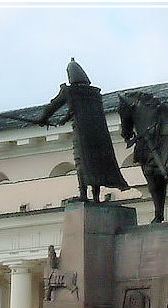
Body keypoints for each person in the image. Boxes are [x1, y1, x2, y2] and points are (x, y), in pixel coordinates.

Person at [37, 58, 130, 201]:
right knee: (96, 162)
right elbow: (76, 110)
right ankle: (96, 197)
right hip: (98, 133)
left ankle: (83, 195)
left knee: (81, 161)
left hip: (82, 132)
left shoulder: (69, 91)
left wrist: (42, 119)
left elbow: (53, 106)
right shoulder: (93, 93)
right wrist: (63, 120)